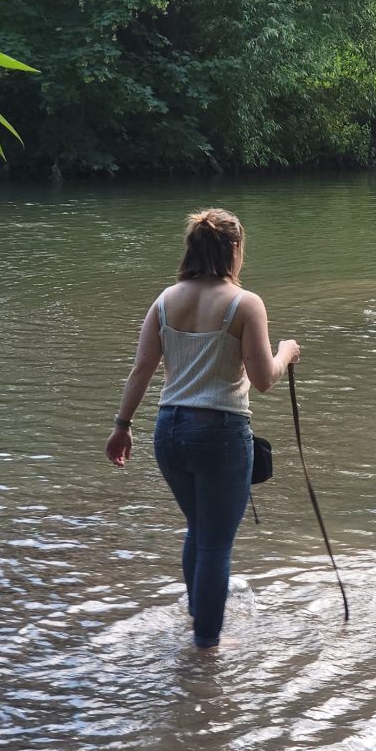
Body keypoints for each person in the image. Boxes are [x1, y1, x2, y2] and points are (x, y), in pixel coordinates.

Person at [105, 208, 300, 650]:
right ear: (233, 249)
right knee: (215, 545)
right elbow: (266, 378)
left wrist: (121, 427)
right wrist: (286, 351)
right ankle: (207, 646)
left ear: (192, 248)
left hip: (168, 431)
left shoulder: (165, 301)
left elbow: (141, 371)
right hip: (220, 434)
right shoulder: (244, 303)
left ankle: (198, 617)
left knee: (198, 529)